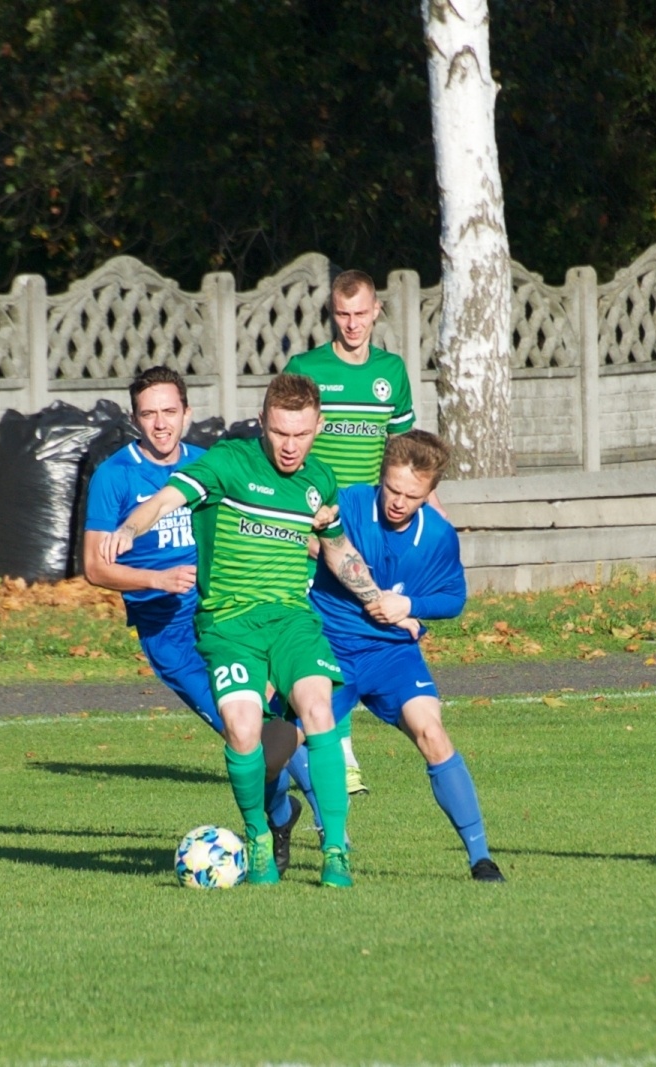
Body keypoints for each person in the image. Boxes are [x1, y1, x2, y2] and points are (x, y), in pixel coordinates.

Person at [99, 372, 389, 888]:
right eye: (280, 433)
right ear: (263, 423)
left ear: (319, 426)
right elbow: (166, 499)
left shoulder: (320, 480)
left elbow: (337, 549)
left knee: (318, 711)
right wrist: (129, 528)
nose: (290, 446)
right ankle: (258, 835)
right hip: (229, 625)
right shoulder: (228, 463)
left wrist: (376, 600)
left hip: (292, 621)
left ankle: (336, 850)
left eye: (301, 434)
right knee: (242, 729)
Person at [82, 367, 322, 872]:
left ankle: (325, 825)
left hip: (229, 613)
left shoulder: (210, 465)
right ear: (135, 419)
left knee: (276, 719)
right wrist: (158, 580)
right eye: (149, 414)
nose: (161, 424)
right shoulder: (114, 476)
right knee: (248, 733)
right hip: (169, 632)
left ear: (187, 414)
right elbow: (95, 566)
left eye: (170, 412)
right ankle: (281, 815)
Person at [309, 430, 504, 882]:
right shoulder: (348, 504)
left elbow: (453, 598)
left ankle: (480, 857)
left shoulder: (438, 536)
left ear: (430, 491)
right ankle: (322, 828)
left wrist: (410, 607)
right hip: (329, 644)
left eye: (412, 495)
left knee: (431, 731)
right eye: (393, 489)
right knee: (291, 742)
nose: (398, 501)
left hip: (392, 654)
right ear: (381, 476)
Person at [284, 269, 420, 795]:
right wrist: (304, 522)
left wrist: (430, 515)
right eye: (343, 314)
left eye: (361, 313)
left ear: (376, 310)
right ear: (331, 315)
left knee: (364, 633)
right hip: (316, 523)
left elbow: (406, 458)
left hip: (370, 527)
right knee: (321, 636)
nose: (352, 324)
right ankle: (336, 752)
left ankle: (321, 743)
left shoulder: (391, 372)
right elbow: (285, 449)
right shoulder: (307, 369)